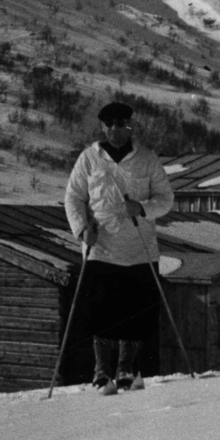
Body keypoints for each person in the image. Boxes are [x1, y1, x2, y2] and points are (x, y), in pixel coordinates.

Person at [64, 100, 174, 389]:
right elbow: (74, 197)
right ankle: (101, 370)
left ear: (130, 125)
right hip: (100, 247)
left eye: (121, 123)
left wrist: (143, 208)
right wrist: (81, 228)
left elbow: (166, 199)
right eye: (109, 124)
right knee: (100, 313)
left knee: (134, 313)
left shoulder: (147, 159)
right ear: (103, 126)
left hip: (139, 249)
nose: (115, 129)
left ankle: (125, 368)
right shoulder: (89, 158)